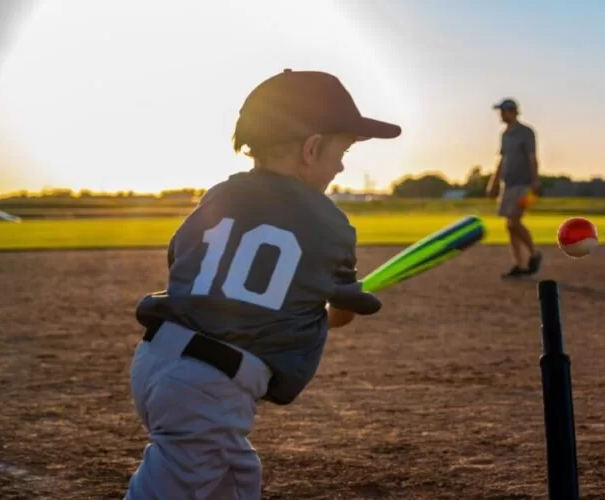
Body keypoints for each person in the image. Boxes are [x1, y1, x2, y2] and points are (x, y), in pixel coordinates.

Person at [125, 69, 400, 499]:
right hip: (211, 386)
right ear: (312, 149)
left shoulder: (219, 196)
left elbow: (181, 260)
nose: (343, 164)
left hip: (155, 359)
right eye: (342, 150)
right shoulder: (329, 223)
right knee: (172, 487)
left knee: (233, 479)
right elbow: (338, 314)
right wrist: (345, 301)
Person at [486, 98, 543, 279]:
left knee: (515, 219)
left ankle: (534, 254)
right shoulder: (505, 135)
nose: (501, 115)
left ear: (513, 111)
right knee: (510, 225)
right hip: (508, 185)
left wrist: (535, 181)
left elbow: (532, 157)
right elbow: (502, 161)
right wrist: (493, 183)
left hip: (524, 184)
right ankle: (519, 264)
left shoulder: (526, 132)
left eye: (504, 111)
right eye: (500, 111)